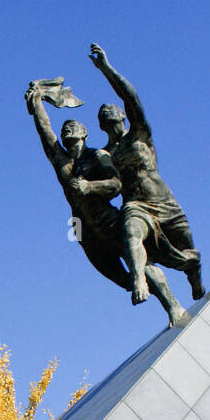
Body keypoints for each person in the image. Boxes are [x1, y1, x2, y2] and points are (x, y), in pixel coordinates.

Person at [25, 82, 187, 325]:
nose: (67, 128)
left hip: (108, 221)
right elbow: (45, 131)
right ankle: (138, 285)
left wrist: (89, 187)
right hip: (84, 231)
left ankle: (173, 306)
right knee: (117, 276)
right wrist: (36, 102)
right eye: (65, 128)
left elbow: (116, 184)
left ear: (84, 133)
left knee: (138, 264)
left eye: (73, 126)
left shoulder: (98, 156)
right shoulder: (61, 162)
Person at [89, 43, 205, 305]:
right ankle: (139, 279)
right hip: (136, 206)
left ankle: (194, 278)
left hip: (164, 201)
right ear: (100, 125)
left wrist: (106, 68)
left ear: (122, 115)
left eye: (111, 110)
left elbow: (131, 97)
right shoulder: (105, 155)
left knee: (189, 252)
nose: (107, 112)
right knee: (130, 232)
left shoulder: (140, 133)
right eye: (102, 114)